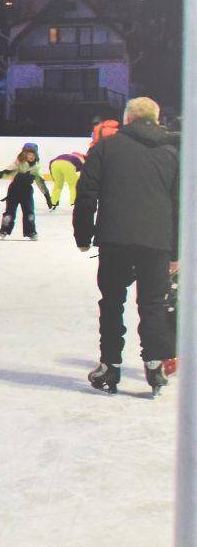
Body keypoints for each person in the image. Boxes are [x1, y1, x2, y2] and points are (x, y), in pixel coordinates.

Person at [77, 97, 180, 396]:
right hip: (157, 242)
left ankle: (110, 365)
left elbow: (86, 192)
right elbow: (179, 204)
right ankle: (154, 364)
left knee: (112, 302)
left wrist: (83, 235)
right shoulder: (171, 152)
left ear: (128, 119)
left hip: (115, 239)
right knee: (153, 304)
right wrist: (175, 251)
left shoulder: (105, 148)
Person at [0, 144, 55, 240]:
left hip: (27, 192)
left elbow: (40, 182)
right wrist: (1, 174)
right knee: (9, 213)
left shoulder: (36, 167)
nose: (31, 156)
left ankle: (31, 231)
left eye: (33, 154)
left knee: (29, 213)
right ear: (24, 154)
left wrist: (47, 196)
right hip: (14, 191)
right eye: (29, 154)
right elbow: (9, 171)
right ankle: (4, 229)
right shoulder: (18, 163)